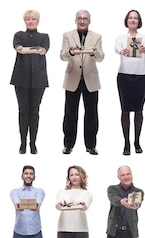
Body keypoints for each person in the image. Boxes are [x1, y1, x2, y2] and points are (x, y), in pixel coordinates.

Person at [60, 9, 104, 155]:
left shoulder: (96, 36)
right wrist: (70, 52)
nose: (82, 21)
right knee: (70, 114)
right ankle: (68, 144)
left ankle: (91, 145)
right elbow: (62, 56)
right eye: (79, 18)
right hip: (73, 78)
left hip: (90, 80)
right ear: (75, 20)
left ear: (89, 21)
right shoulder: (67, 35)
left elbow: (101, 57)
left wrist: (94, 53)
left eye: (85, 18)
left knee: (91, 114)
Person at [11, 10, 49, 155]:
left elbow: (44, 49)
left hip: (38, 80)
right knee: (23, 111)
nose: (30, 21)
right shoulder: (19, 35)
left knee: (34, 112)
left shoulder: (44, 37)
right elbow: (18, 46)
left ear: (38, 20)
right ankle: (22, 143)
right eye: (27, 19)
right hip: (21, 79)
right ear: (24, 21)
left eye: (33, 19)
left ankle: (33, 143)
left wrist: (41, 50)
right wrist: (20, 48)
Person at [115, 10, 145, 156]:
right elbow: (116, 48)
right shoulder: (121, 37)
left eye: (135, 18)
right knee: (124, 110)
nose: (133, 20)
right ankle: (126, 143)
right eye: (130, 17)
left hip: (141, 75)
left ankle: (137, 141)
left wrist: (144, 49)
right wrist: (121, 50)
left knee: (139, 110)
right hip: (124, 75)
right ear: (126, 20)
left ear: (139, 21)